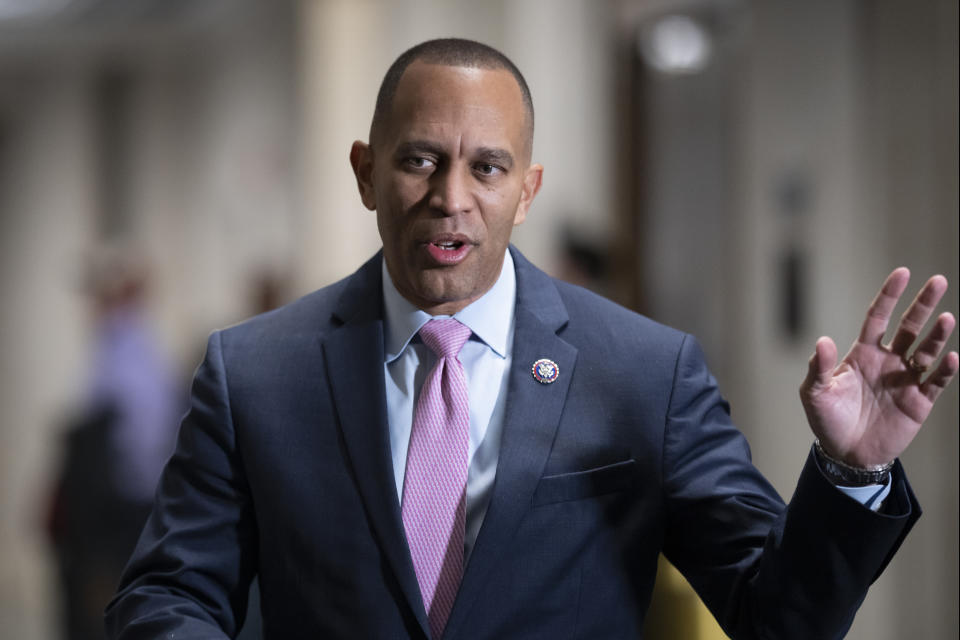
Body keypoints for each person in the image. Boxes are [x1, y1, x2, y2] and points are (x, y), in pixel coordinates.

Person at [105, 38, 957, 639]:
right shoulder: (254, 372)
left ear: (528, 189)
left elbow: (780, 618)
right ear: (366, 171)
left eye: (487, 167)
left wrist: (853, 471)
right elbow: (168, 594)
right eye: (419, 160)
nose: (451, 196)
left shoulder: (645, 373)